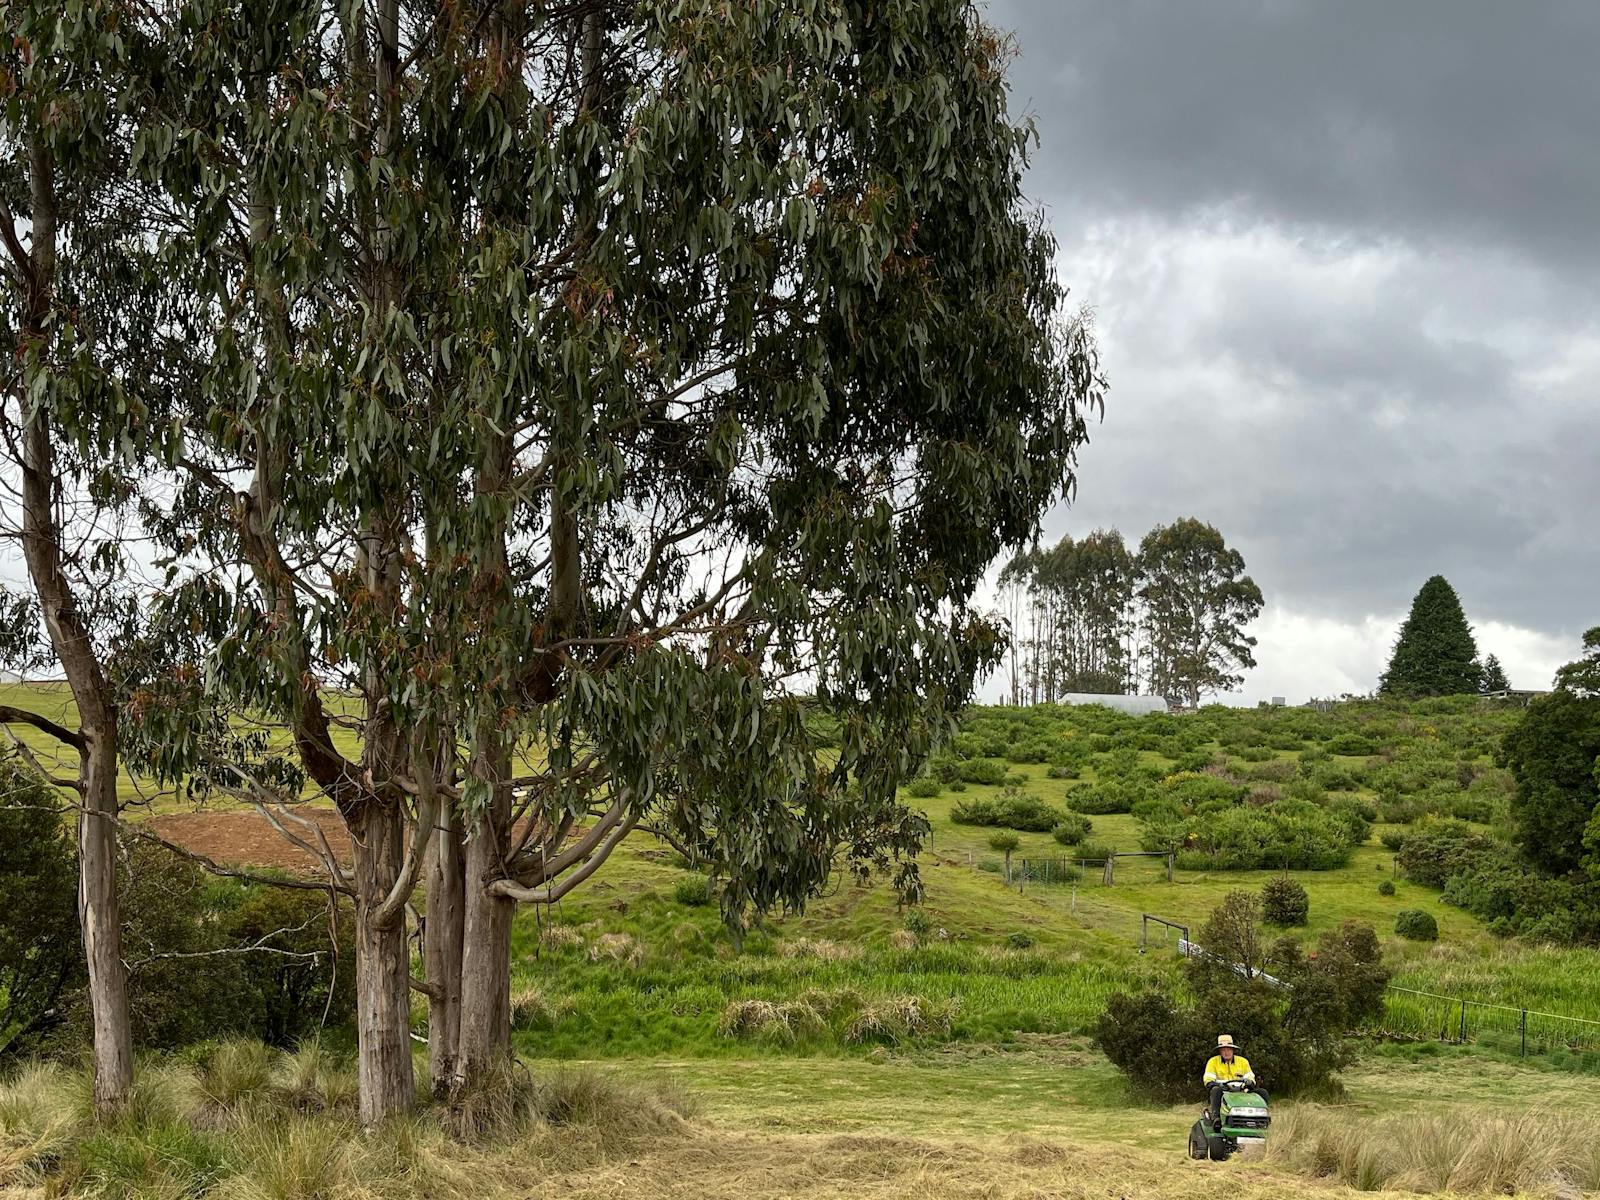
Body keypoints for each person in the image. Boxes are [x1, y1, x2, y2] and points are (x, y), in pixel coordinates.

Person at [1203, 1034, 1266, 1124]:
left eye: (1228, 1049)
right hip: (1223, 1093)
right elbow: (1208, 1081)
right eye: (1223, 1050)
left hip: (1243, 1092)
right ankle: (1216, 1118)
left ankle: (1262, 1118)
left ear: (1233, 1050)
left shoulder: (1243, 1062)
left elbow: (1251, 1078)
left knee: (1262, 1092)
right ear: (1220, 1051)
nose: (1226, 1052)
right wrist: (1222, 1086)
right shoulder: (1212, 1062)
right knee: (1215, 1090)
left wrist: (1248, 1084)